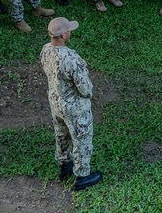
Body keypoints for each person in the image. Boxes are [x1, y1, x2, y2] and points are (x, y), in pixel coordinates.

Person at [40, 16, 102, 191]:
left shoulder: (45, 50)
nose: (70, 32)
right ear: (63, 36)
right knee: (81, 139)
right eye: (68, 30)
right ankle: (82, 176)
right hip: (74, 107)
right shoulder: (71, 58)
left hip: (55, 102)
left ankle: (64, 165)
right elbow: (85, 89)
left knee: (61, 135)